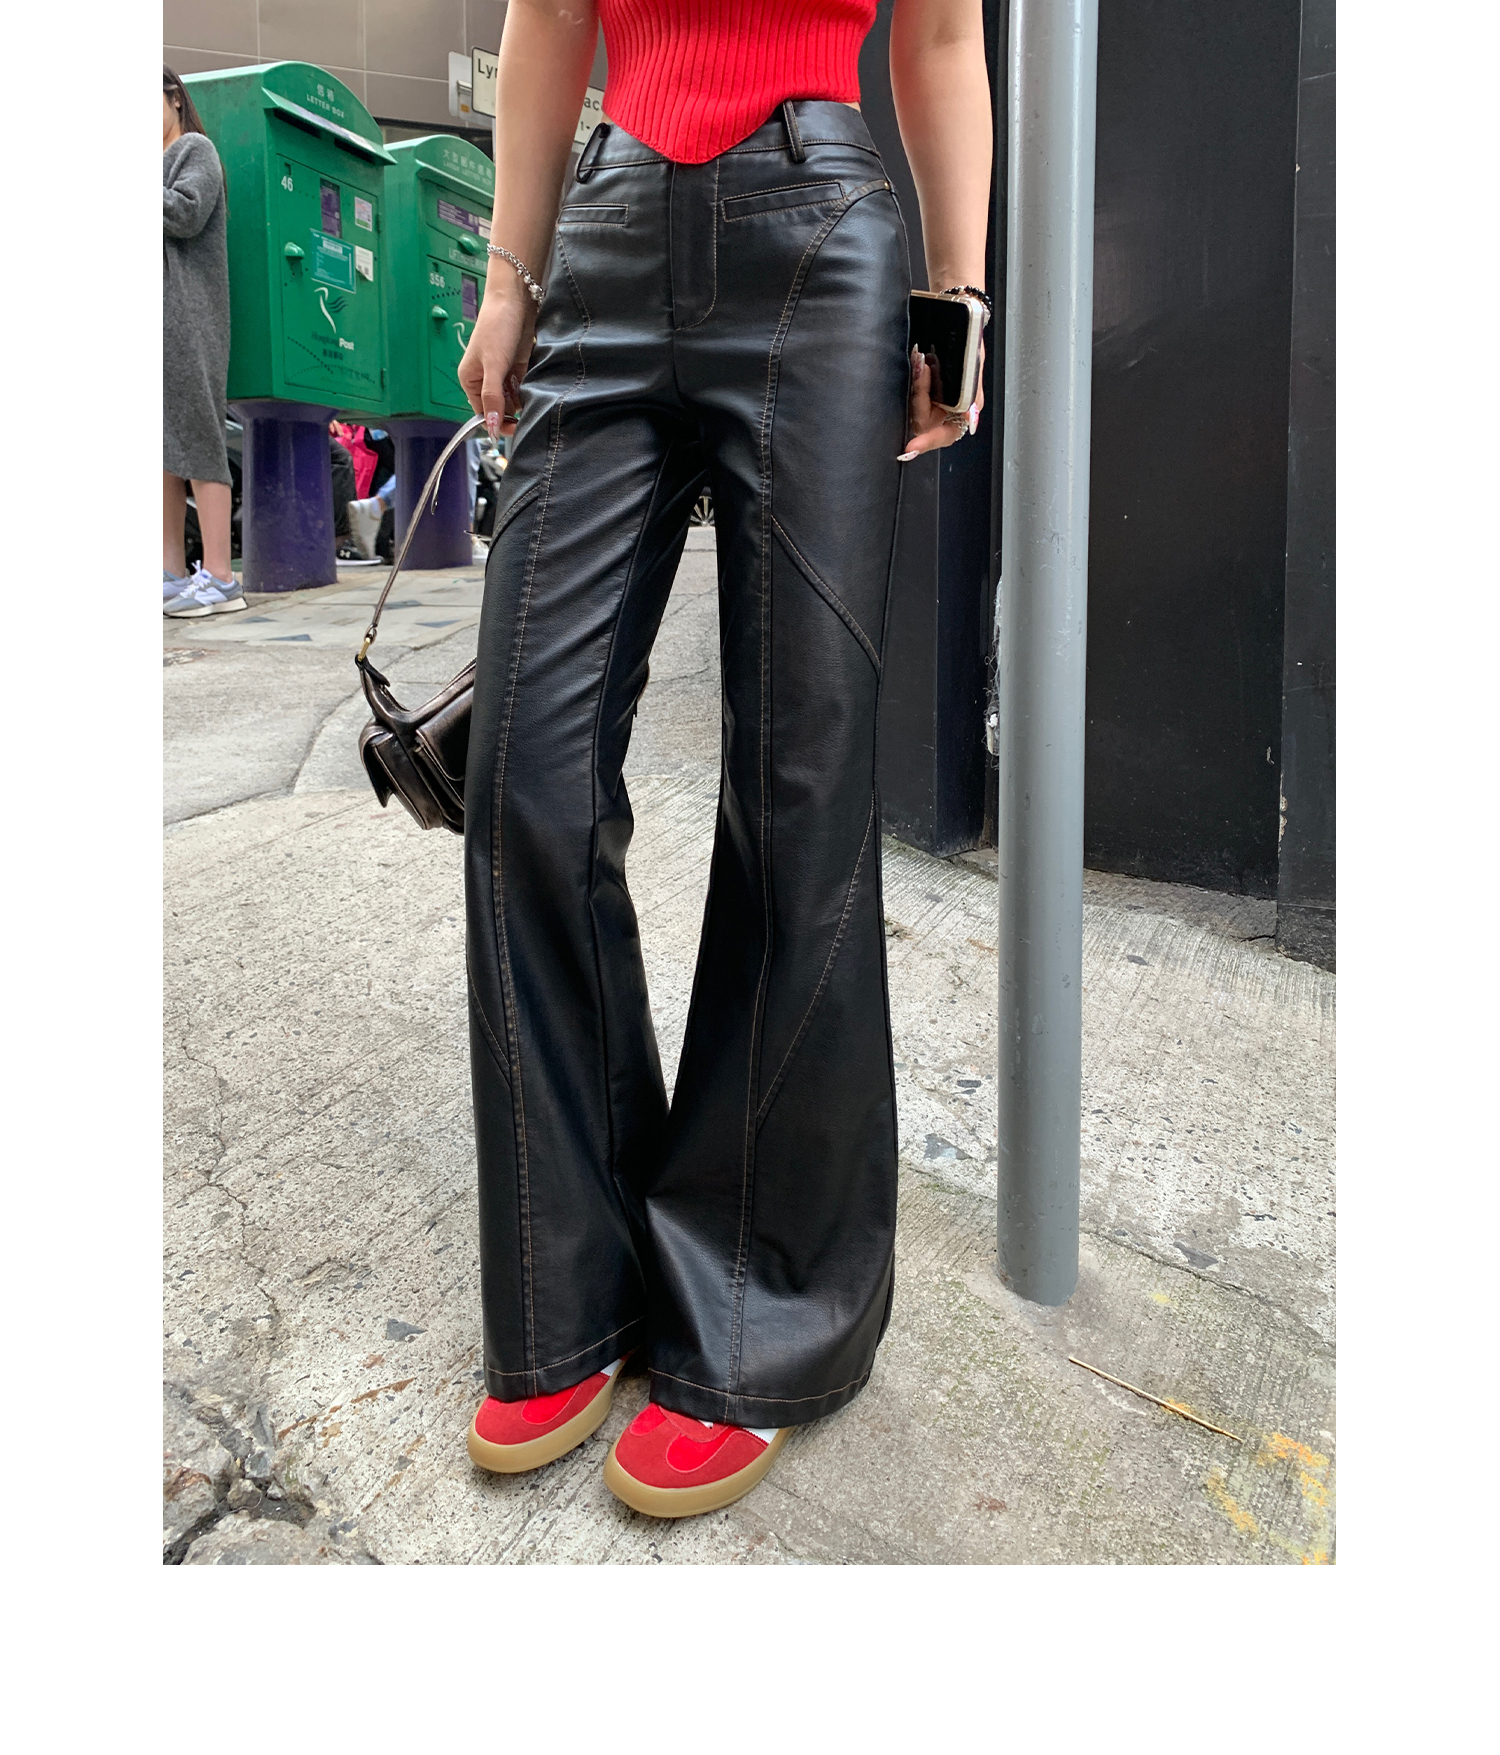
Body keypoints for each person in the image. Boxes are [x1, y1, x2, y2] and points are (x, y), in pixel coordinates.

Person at [455, 0, 990, 1517]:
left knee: (799, 785)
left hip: (817, 237)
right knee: (524, 771)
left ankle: (758, 1303)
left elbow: (941, 40)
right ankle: (575, 1277)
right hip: (609, 231)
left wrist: (959, 298)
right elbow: (551, 19)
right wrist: (509, 275)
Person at [162, 66, 244, 618]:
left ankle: (220, 576)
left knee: (198, 438)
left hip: (188, 320)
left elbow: (186, 213)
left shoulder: (195, 149)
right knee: (161, 451)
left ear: (173, 97)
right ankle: (169, 574)